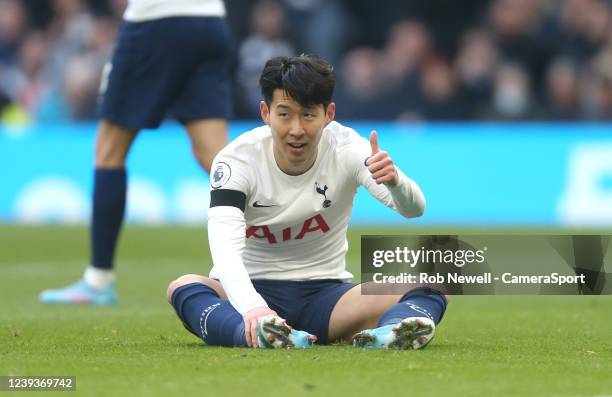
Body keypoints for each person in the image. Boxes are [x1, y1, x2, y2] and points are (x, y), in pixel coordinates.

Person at [166, 55, 447, 349]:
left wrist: (395, 182)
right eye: (285, 114)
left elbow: (414, 209)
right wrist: (254, 308)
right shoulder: (237, 161)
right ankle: (257, 333)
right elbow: (225, 252)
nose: (297, 129)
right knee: (184, 287)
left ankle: (392, 331)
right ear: (266, 112)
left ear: (329, 114)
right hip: (250, 290)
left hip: (327, 298)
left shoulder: (349, 148)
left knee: (438, 277)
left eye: (309, 115)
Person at [39, 0, 232, 304]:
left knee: (109, 149)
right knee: (217, 158)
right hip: (210, 20)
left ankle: (98, 279)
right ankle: (281, 248)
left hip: (155, 19)